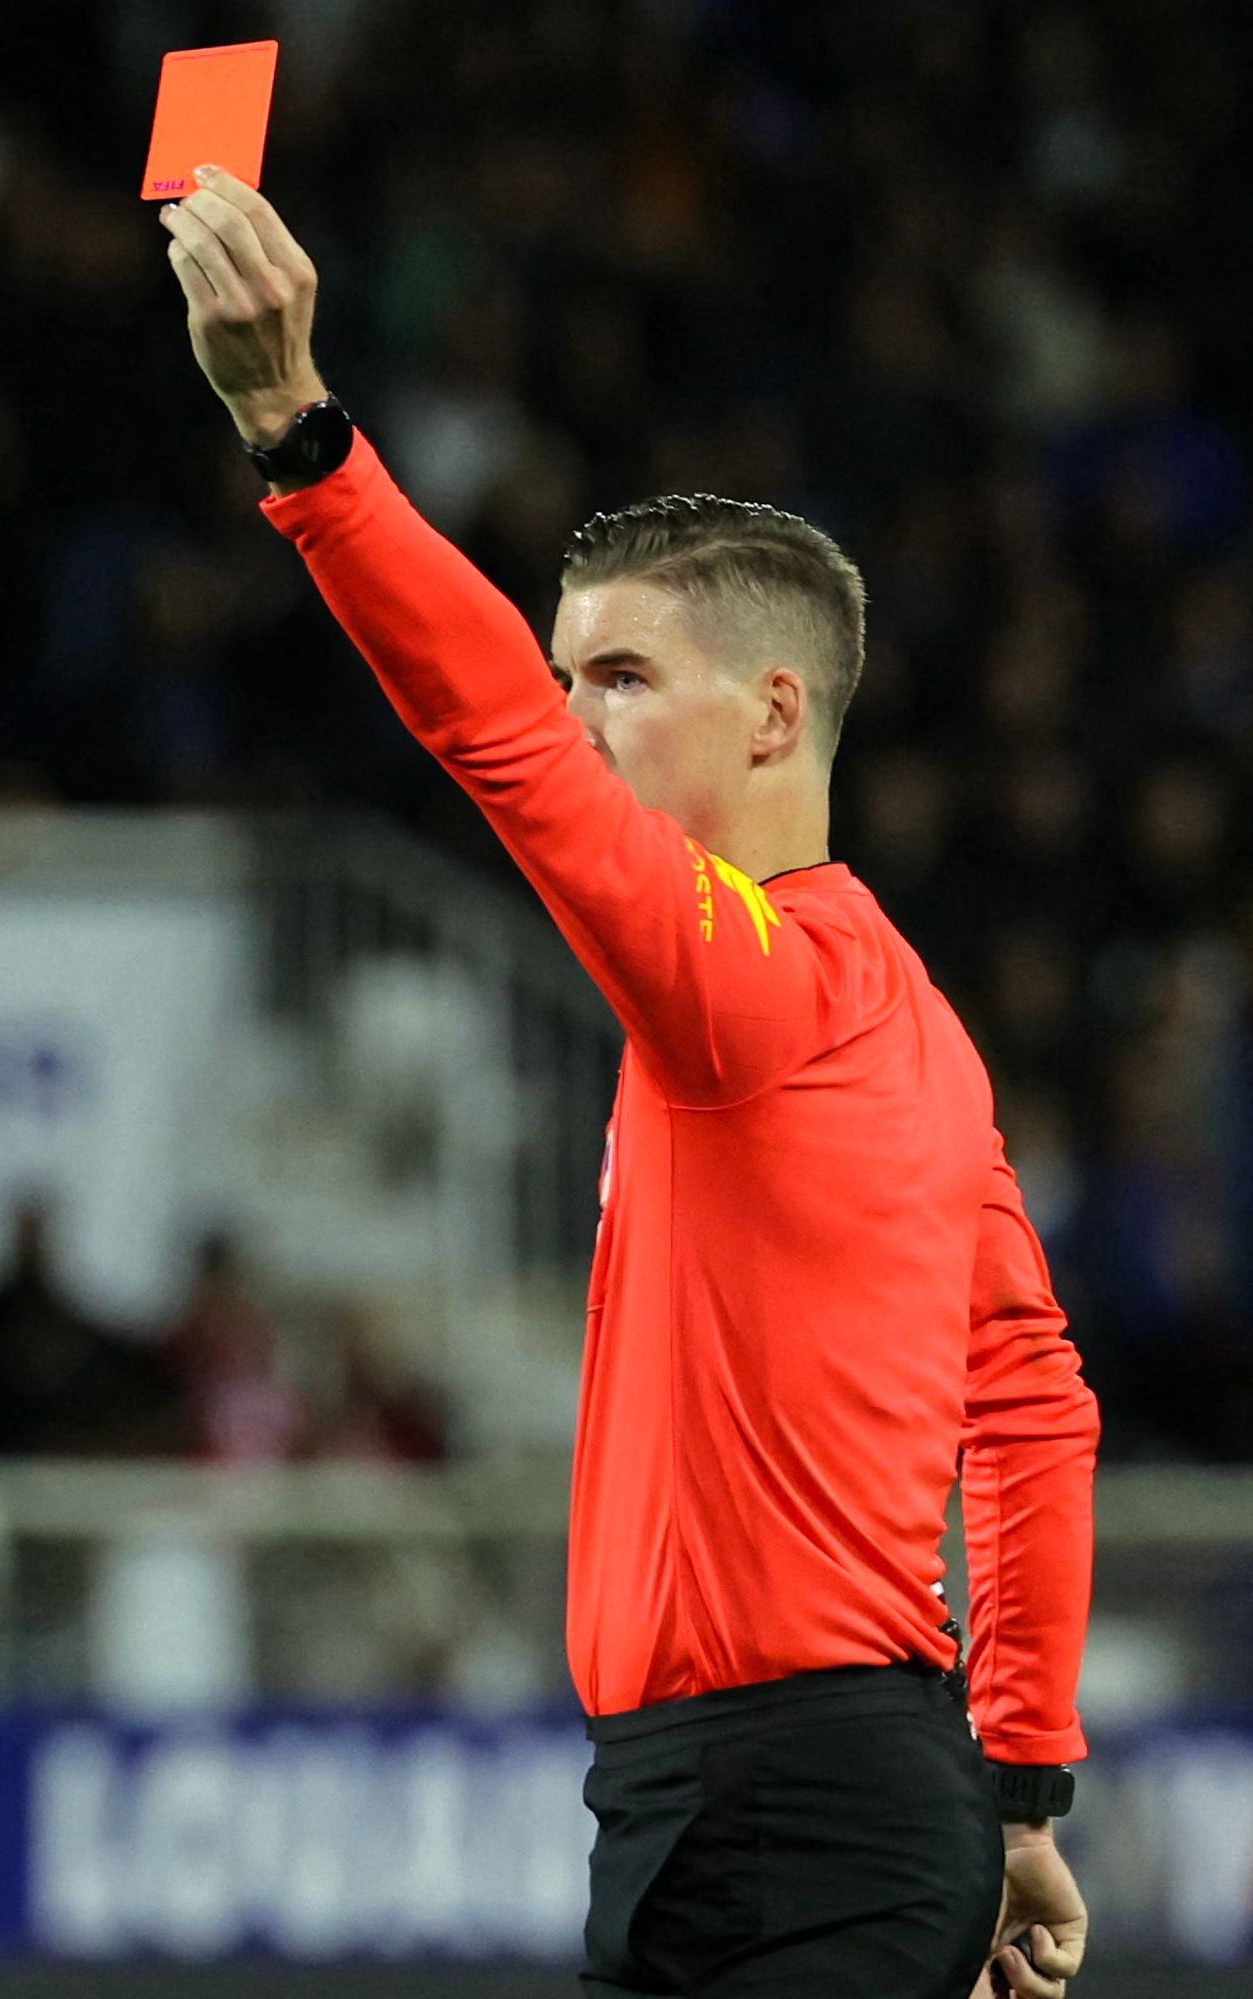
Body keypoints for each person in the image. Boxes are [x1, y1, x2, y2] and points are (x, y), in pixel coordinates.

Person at [160, 167, 1101, 1998]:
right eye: (568, 672)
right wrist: (1019, 1789)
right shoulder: (911, 1029)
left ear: (768, 711)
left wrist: (295, 431)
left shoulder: (758, 990)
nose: (577, 712)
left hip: (779, 1801)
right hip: (826, 1798)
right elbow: (1032, 1405)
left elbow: (494, 744)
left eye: (621, 675)